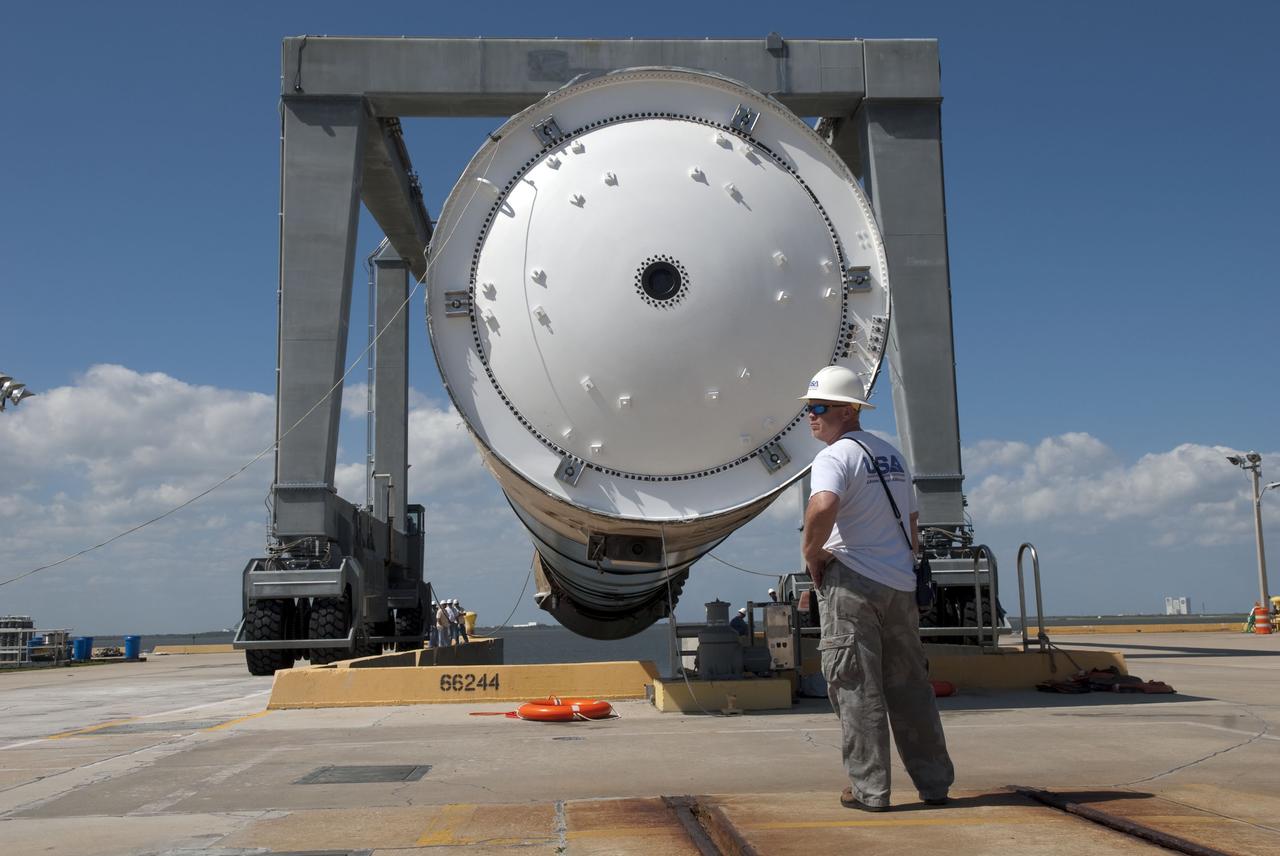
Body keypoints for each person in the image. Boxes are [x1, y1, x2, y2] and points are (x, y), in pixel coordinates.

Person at [799, 365, 954, 812]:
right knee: (911, 689)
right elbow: (912, 524)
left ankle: (870, 791)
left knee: (856, 689)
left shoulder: (833, 457)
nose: (812, 416)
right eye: (810, 408)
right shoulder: (891, 455)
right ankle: (935, 784)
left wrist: (813, 553)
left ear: (847, 411)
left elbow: (823, 504)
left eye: (820, 407)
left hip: (853, 585)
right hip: (899, 585)